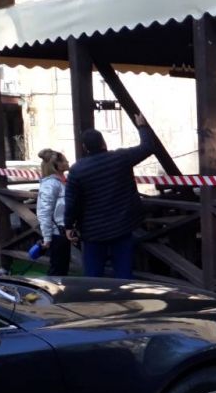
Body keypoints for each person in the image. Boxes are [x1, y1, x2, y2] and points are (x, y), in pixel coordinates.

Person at [64, 114, 155, 279]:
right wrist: (142, 126)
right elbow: (148, 147)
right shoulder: (120, 158)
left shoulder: (77, 170)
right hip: (121, 227)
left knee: (93, 277)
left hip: (93, 231)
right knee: (124, 275)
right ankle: (124, 295)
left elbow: (71, 203)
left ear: (84, 147)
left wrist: (68, 226)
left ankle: (96, 296)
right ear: (103, 143)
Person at [36, 149, 71, 276]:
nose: (67, 162)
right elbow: (44, 212)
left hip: (63, 231)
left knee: (62, 268)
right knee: (57, 270)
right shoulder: (51, 184)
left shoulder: (62, 182)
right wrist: (47, 238)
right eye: (64, 160)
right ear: (57, 165)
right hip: (57, 233)